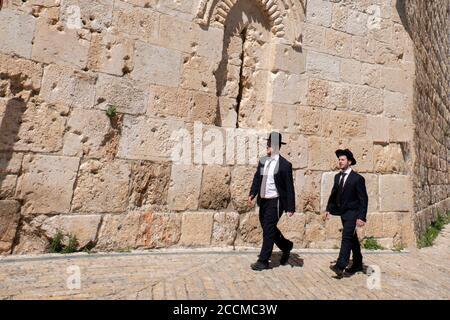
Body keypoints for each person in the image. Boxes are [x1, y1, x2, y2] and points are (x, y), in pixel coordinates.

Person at [248, 131, 295, 271]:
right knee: (268, 228)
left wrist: (290, 207)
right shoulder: (263, 161)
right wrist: (252, 193)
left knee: (268, 228)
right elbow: (257, 178)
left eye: (268, 144)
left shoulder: (285, 165)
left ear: (274, 146)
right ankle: (286, 246)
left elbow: (289, 187)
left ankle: (263, 260)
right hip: (263, 200)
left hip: (276, 201)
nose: (266, 146)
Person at [324, 149, 368, 278]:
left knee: (346, 237)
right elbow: (333, 195)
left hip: (353, 213)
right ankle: (358, 263)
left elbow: (363, 199)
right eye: (339, 160)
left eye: (342, 160)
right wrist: (328, 209)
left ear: (349, 162)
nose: (340, 162)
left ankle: (340, 265)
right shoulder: (338, 177)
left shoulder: (358, 179)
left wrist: (361, 217)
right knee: (352, 239)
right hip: (343, 213)